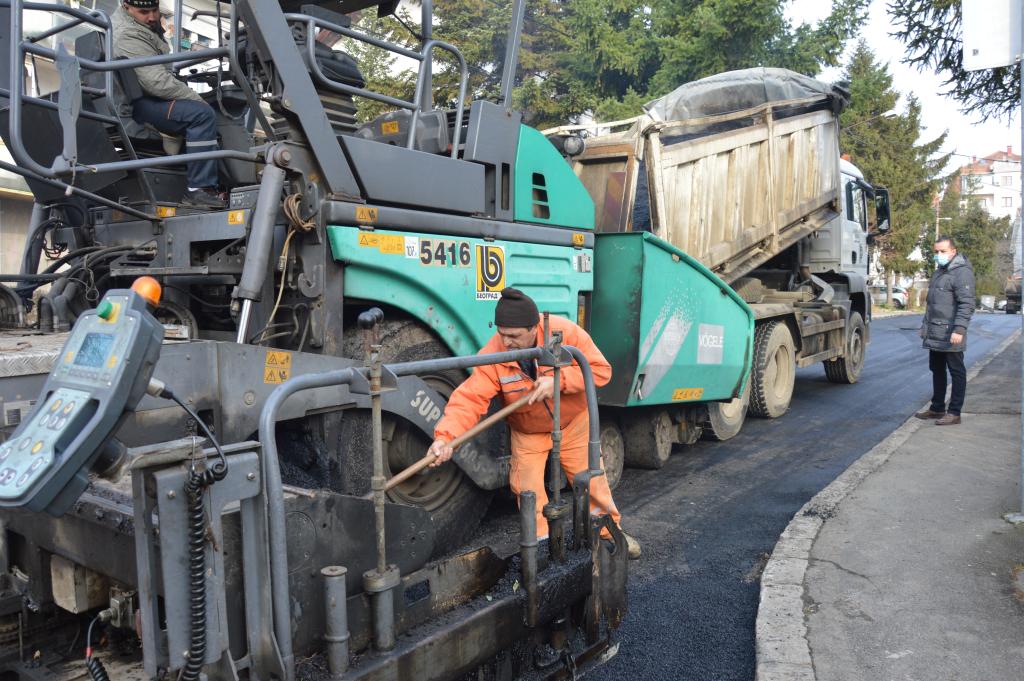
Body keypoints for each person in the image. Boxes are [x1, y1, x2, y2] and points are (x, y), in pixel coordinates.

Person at [428, 288, 641, 559]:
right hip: (527, 431)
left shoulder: (566, 334)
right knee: (526, 488)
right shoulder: (494, 352)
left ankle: (610, 535)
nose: (506, 343)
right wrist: (445, 437)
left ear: (534, 327)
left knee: (591, 483)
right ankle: (542, 545)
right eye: (501, 334)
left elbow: (601, 371)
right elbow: (469, 398)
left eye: (514, 336)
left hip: (573, 423)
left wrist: (559, 381)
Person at [112, 0, 223, 208]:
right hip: (139, 105)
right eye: (144, 12)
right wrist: (197, 99)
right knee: (202, 114)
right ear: (126, 7)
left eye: (154, 10)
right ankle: (199, 189)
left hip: (142, 99)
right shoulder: (129, 34)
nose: (152, 16)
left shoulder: (142, 26)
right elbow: (157, 83)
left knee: (199, 108)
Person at [915, 236, 975, 425]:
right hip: (935, 332)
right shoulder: (939, 272)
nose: (938, 255)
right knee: (937, 369)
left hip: (951, 333)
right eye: (936, 252)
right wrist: (925, 326)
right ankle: (937, 408)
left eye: (942, 251)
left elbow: (967, 304)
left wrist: (959, 329)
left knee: (956, 371)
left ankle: (954, 412)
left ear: (953, 252)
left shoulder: (962, 273)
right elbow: (931, 305)